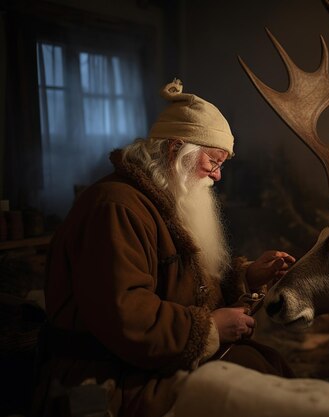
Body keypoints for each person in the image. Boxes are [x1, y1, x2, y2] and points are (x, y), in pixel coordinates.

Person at [32, 79, 296, 417]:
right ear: (175, 152)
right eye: (213, 162)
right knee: (258, 397)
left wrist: (244, 278)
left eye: (221, 166)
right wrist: (210, 329)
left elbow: (185, 285)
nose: (217, 177)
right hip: (111, 376)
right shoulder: (115, 207)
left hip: (155, 360)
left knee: (271, 374)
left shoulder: (166, 200)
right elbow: (126, 316)